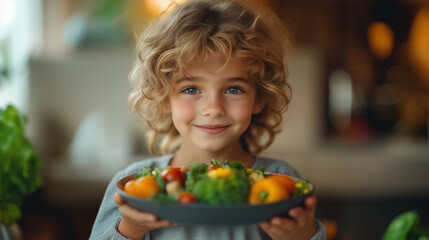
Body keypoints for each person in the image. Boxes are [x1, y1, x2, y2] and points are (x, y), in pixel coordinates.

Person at [89, 0, 327, 239]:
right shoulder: (132, 187)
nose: (213, 108)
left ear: (259, 98)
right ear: (163, 97)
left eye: (234, 89)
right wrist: (131, 229)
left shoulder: (281, 180)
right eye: (191, 89)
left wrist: (303, 235)